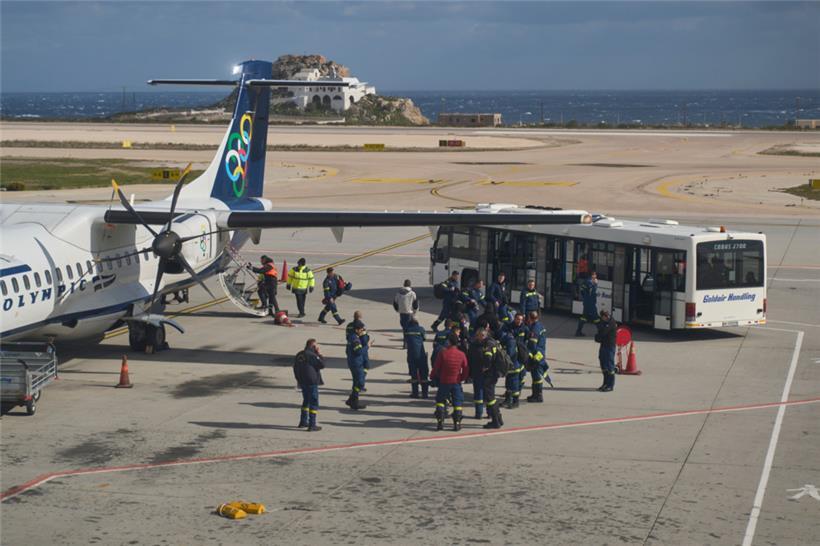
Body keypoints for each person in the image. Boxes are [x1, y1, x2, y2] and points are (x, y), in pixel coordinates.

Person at [466, 328, 505, 429]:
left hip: (488, 375)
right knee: (490, 397)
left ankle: (495, 421)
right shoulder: (490, 343)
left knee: (490, 399)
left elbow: (488, 359)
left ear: (483, 335)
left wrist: (485, 367)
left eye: (479, 335)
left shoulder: (487, 345)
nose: (477, 337)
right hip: (490, 375)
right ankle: (498, 418)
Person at [431, 334, 470, 431]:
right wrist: (461, 378)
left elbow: (436, 367)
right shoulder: (461, 354)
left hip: (444, 381)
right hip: (456, 382)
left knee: (440, 401)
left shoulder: (443, 353)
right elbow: (466, 369)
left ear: (449, 342)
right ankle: (457, 423)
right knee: (457, 402)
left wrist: (433, 376)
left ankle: (440, 421)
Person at [293, 338, 325, 432]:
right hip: (311, 381)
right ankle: (312, 424)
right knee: (314, 402)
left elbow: (295, 367)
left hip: (302, 381)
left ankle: (303, 421)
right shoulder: (312, 355)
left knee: (306, 401)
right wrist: (319, 354)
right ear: (313, 346)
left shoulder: (299, 354)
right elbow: (322, 364)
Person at [525, 311, 553, 403]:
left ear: (530, 318)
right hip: (540, 352)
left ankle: (538, 396)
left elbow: (533, 343)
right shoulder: (540, 325)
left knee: (536, 375)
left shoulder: (535, 328)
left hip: (536, 354)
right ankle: (536, 394)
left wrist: (529, 354)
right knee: (536, 375)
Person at [345, 321, 368, 410]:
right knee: (360, 383)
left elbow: (347, 351)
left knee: (356, 382)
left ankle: (353, 401)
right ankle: (352, 398)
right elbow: (358, 351)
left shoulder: (352, 337)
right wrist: (367, 347)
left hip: (353, 362)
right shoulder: (355, 339)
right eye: (361, 329)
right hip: (356, 363)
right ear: (357, 330)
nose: (362, 331)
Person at [404, 318, 429, 398]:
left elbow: (406, 340)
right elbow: (425, 338)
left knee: (414, 375)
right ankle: (425, 394)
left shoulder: (407, 330)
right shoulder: (421, 329)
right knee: (424, 375)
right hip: (421, 355)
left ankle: (415, 393)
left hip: (411, 355)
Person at [346, 311, 371, 389]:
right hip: (361, 349)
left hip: (350, 349)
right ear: (360, 317)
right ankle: (360, 384)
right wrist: (367, 341)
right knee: (366, 366)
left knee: (355, 373)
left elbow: (347, 337)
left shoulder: (349, 326)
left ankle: (358, 384)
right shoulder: (361, 326)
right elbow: (364, 339)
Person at [595, 310, 618, 392]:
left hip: (609, 346)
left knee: (610, 366)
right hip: (604, 345)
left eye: (606, 316)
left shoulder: (611, 322)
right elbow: (599, 334)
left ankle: (610, 385)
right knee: (603, 364)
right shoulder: (603, 322)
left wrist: (598, 335)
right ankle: (605, 383)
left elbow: (603, 333)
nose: (605, 318)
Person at [393, 279, 419, 348]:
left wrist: (398, 310)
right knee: (409, 328)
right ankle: (407, 342)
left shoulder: (398, 293)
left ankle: (405, 342)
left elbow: (395, 303)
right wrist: (415, 312)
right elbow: (415, 304)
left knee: (404, 328)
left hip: (402, 313)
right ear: (410, 285)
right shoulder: (412, 293)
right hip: (409, 313)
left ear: (404, 284)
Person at [575, 271, 600, 336]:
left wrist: (585, 298)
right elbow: (592, 291)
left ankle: (578, 331)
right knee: (596, 318)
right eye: (595, 275)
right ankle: (601, 333)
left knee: (584, 317)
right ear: (593, 275)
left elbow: (582, 290)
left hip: (586, 302)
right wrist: (595, 284)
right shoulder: (590, 282)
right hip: (590, 303)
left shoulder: (586, 281)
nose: (596, 276)